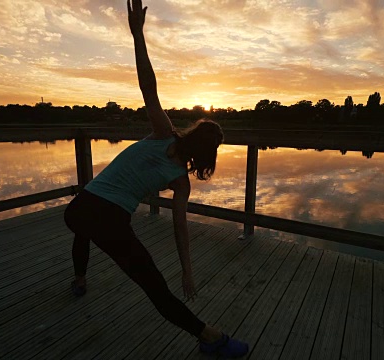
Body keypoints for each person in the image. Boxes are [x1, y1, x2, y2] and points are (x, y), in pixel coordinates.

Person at [63, 0, 249, 357]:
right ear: (208, 154)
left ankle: (80, 279)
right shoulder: (180, 178)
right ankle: (209, 337)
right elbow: (180, 229)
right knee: (156, 289)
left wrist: (138, 35)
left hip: (79, 206)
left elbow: (149, 87)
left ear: (194, 132)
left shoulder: (164, 134)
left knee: (83, 229)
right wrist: (187, 272)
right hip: (109, 218)